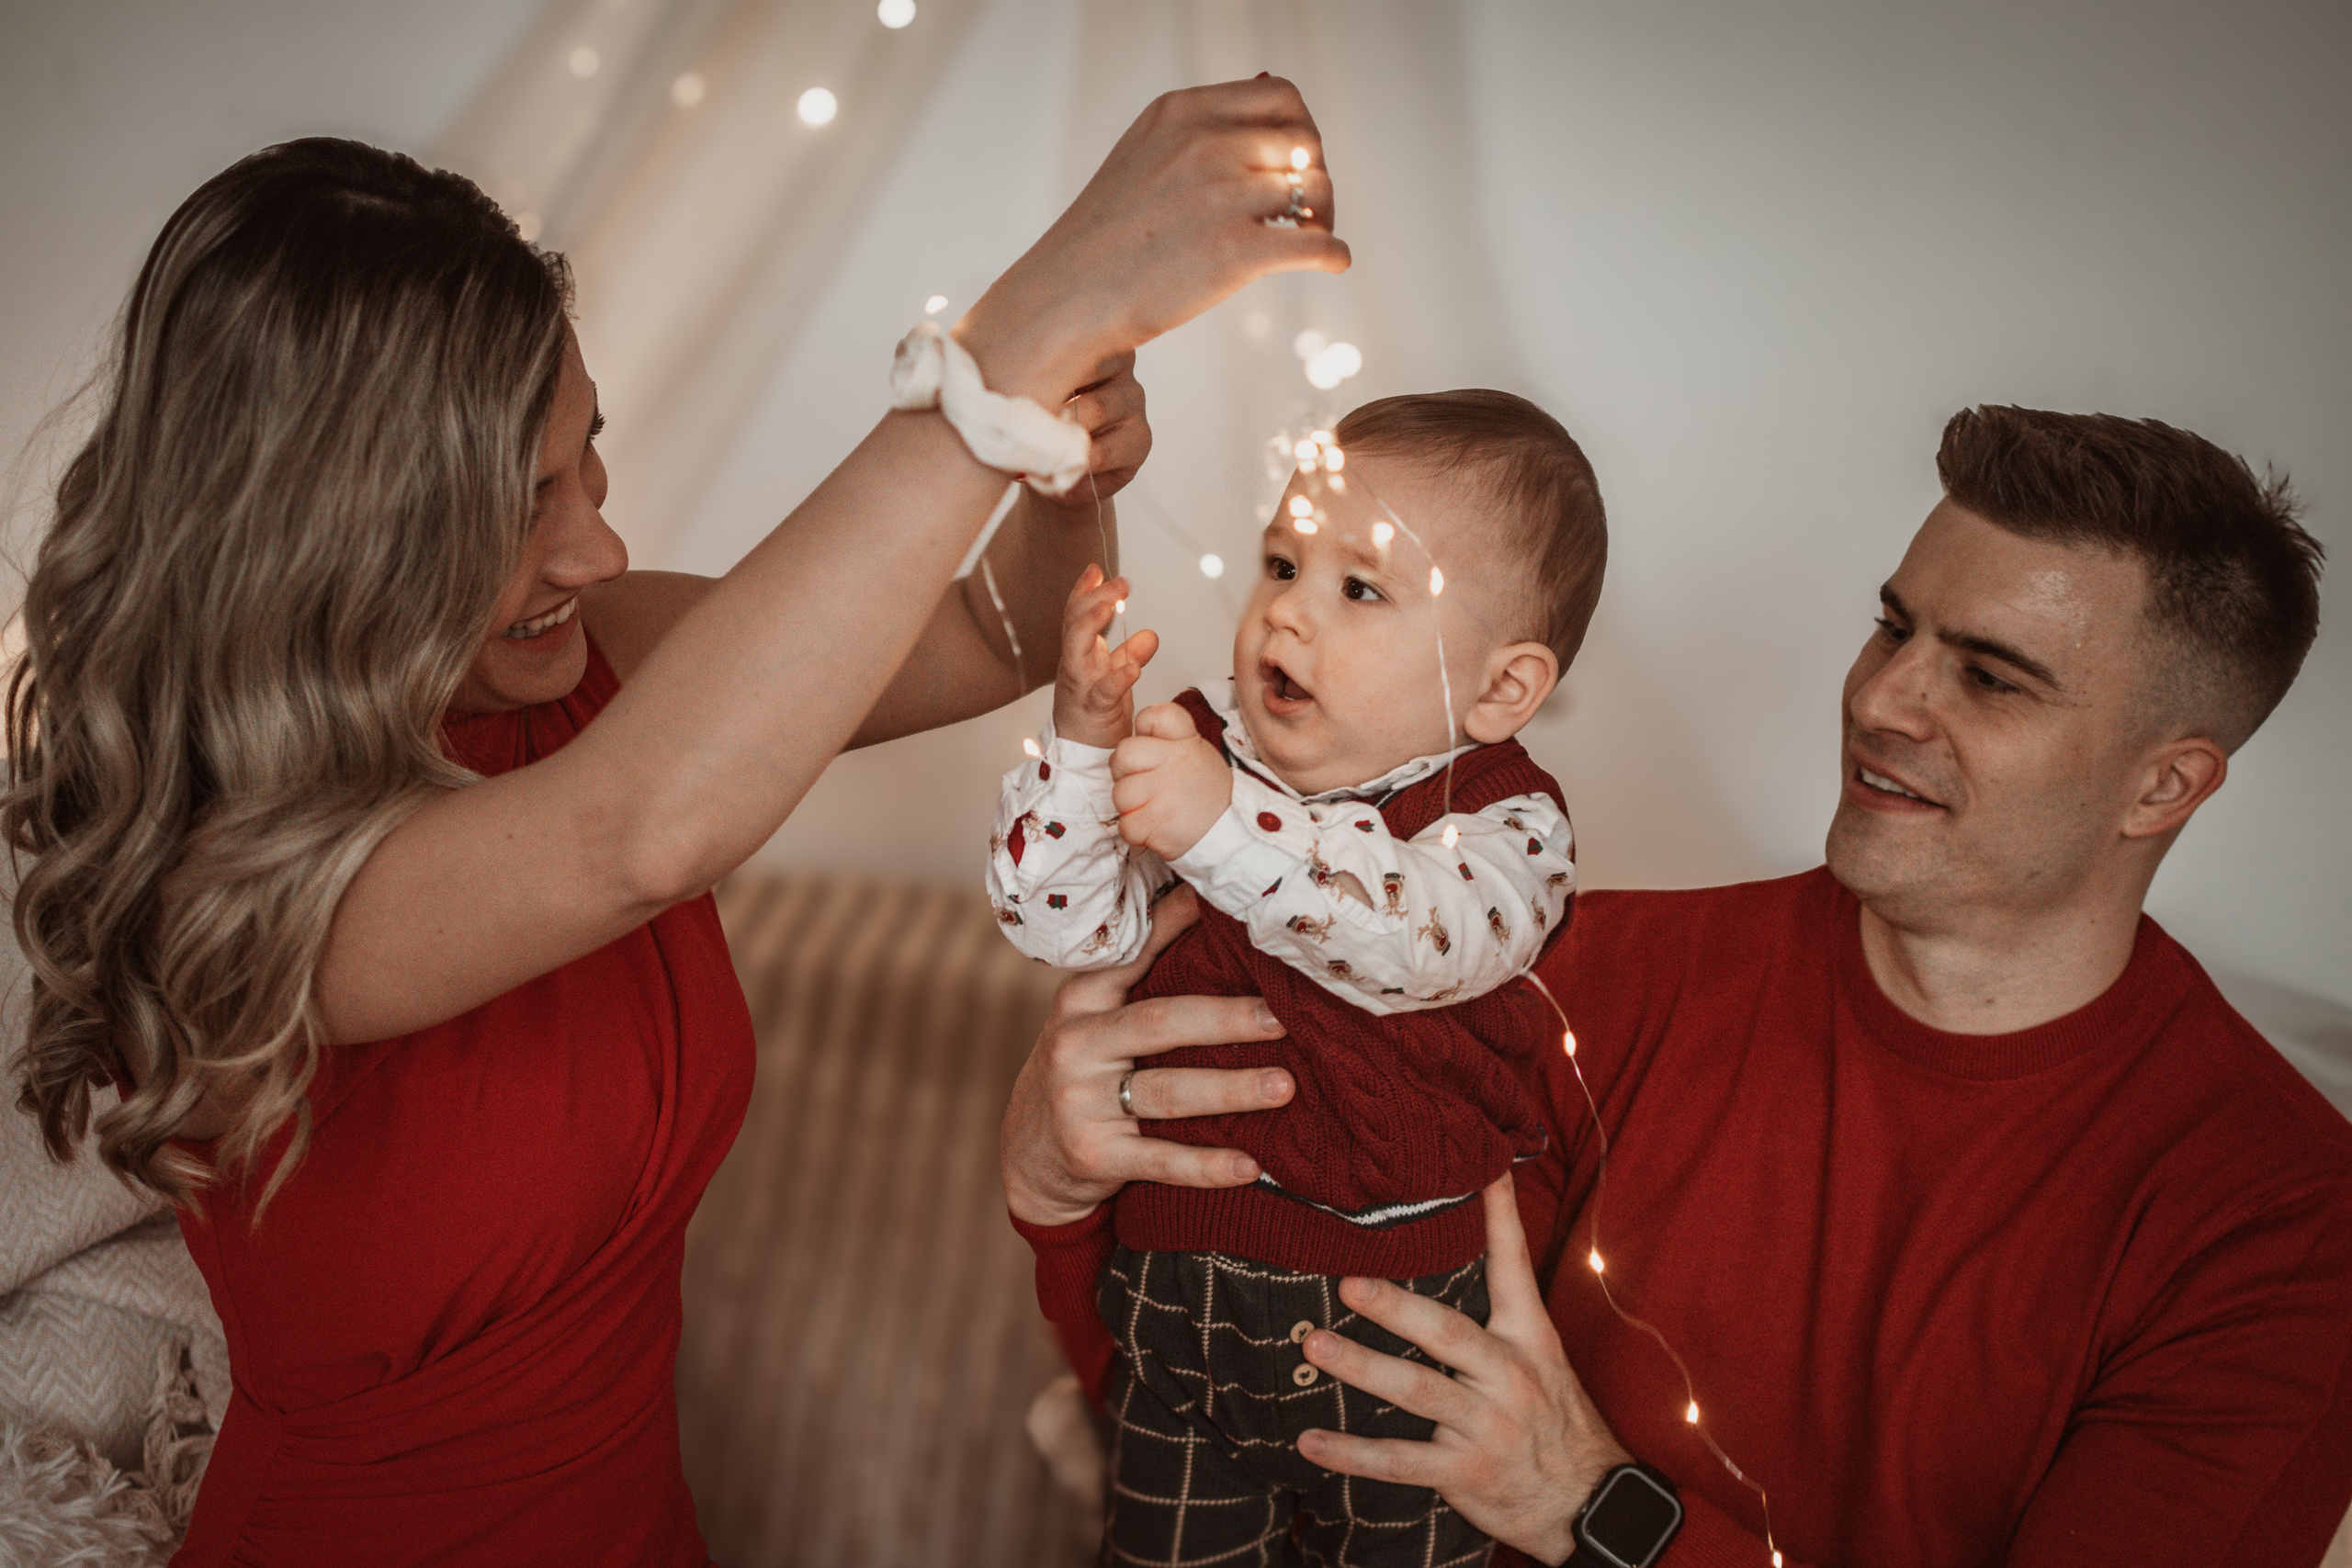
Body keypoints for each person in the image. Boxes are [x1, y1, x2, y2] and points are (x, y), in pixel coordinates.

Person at [6, 80, 1349, 1567]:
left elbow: (1000, 628)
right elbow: (641, 831)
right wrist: (1019, 333)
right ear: (333, 535)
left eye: (590, 454)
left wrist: (1063, 442)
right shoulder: (237, 868)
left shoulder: (597, 668)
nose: (599, 540)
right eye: (522, 500)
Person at [1001, 406, 2352, 1565]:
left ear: (2164, 782)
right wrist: (1058, 1197)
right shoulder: (1567, 973)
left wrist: (1598, 1508)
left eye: (1990, 677)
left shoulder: (2285, 1224)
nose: (1883, 698)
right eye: (1893, 627)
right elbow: (1245, 1404)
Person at [987, 391, 1602, 1565]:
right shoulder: (1200, 740)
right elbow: (1064, 926)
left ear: (1501, 690)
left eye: (1357, 589)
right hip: (1173, 1295)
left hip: (1400, 1326)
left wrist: (1219, 828)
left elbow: (1413, 945)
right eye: (1281, 563)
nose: (1286, 614)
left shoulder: (1507, 821)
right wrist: (1079, 745)